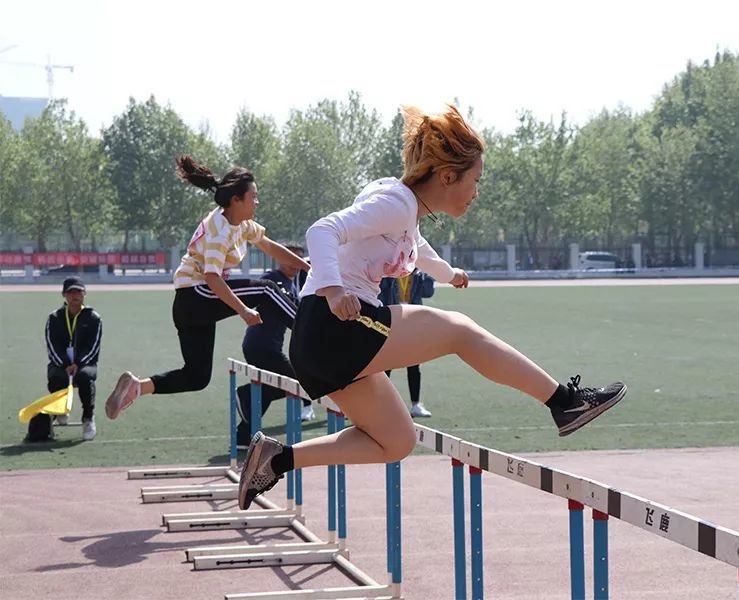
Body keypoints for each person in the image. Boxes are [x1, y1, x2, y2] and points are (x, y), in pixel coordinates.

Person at [237, 105, 627, 509]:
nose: (477, 192)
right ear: (446, 176)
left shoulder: (402, 210)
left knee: (396, 440)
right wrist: (335, 291)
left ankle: (277, 459)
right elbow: (323, 230)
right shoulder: (397, 202)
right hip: (335, 322)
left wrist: (447, 272)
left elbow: (415, 248)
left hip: (322, 344)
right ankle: (565, 402)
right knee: (459, 331)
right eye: (475, 181)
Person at [104, 155, 309, 420]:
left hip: (190, 305)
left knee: (196, 376)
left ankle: (137, 386)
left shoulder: (240, 223)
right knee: (268, 289)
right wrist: (244, 310)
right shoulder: (219, 230)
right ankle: (310, 332)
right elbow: (213, 279)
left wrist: (307, 268)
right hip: (197, 296)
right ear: (237, 200)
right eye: (254, 197)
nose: (257, 202)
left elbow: (271, 247)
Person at [234, 244, 315, 449]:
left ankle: (242, 436)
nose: (296, 264)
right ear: (280, 259)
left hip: (270, 346)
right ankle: (246, 393)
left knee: (271, 386)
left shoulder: (296, 281)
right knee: (295, 382)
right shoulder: (272, 280)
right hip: (259, 344)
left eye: (299, 260)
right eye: (291, 259)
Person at [44, 277, 103, 440]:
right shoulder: (54, 317)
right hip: (61, 363)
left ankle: (88, 418)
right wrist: (65, 364)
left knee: (85, 377)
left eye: (78, 291)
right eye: (71, 292)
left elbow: (93, 347)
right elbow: (52, 345)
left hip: (85, 363)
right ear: (64, 295)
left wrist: (78, 363)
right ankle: (60, 410)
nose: (75, 295)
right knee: (56, 376)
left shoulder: (93, 318)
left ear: (84, 294)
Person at [378, 269, 436, 418]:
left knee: (414, 365)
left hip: (413, 321)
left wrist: (430, 270)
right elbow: (381, 292)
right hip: (393, 320)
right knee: (386, 366)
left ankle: (416, 404)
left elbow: (428, 292)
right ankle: (380, 404)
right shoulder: (389, 272)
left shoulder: (419, 274)